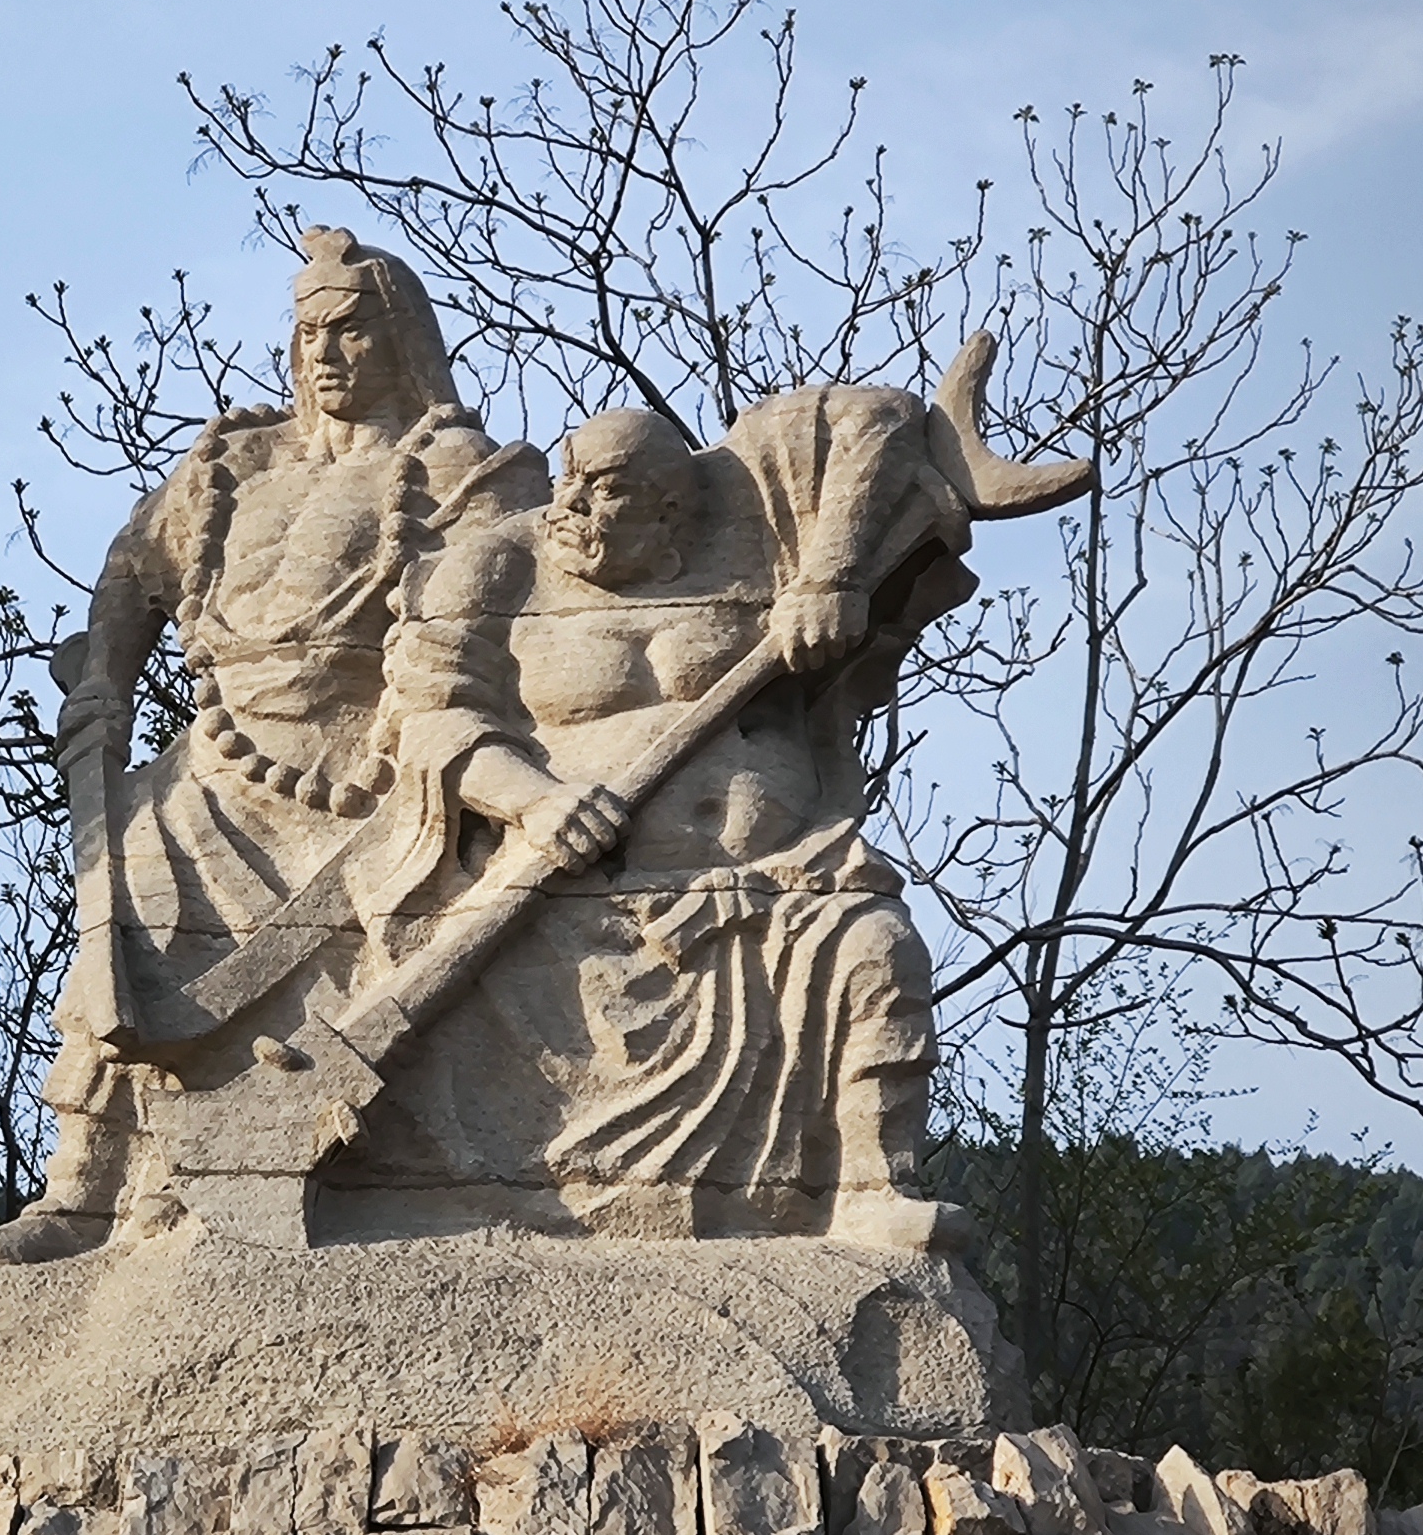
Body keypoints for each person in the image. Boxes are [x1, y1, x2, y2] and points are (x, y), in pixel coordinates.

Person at [0, 228, 541, 1264]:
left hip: (371, 785)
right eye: (308, 330)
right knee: (118, 944)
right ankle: (85, 1193)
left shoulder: (455, 465)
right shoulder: (231, 465)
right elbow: (134, 567)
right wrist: (104, 674)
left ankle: (362, 1181)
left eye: (353, 329)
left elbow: (518, 596)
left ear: (400, 337)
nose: (326, 353)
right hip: (212, 776)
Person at [356, 388, 967, 1248]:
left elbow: (879, 418)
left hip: (769, 884)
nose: (567, 502)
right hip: (563, 896)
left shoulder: (762, 536)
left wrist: (830, 576)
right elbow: (432, 718)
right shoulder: (497, 566)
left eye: (602, 487)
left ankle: (869, 1186)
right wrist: (537, 800)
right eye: (569, 474)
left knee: (875, 948)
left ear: (673, 509)